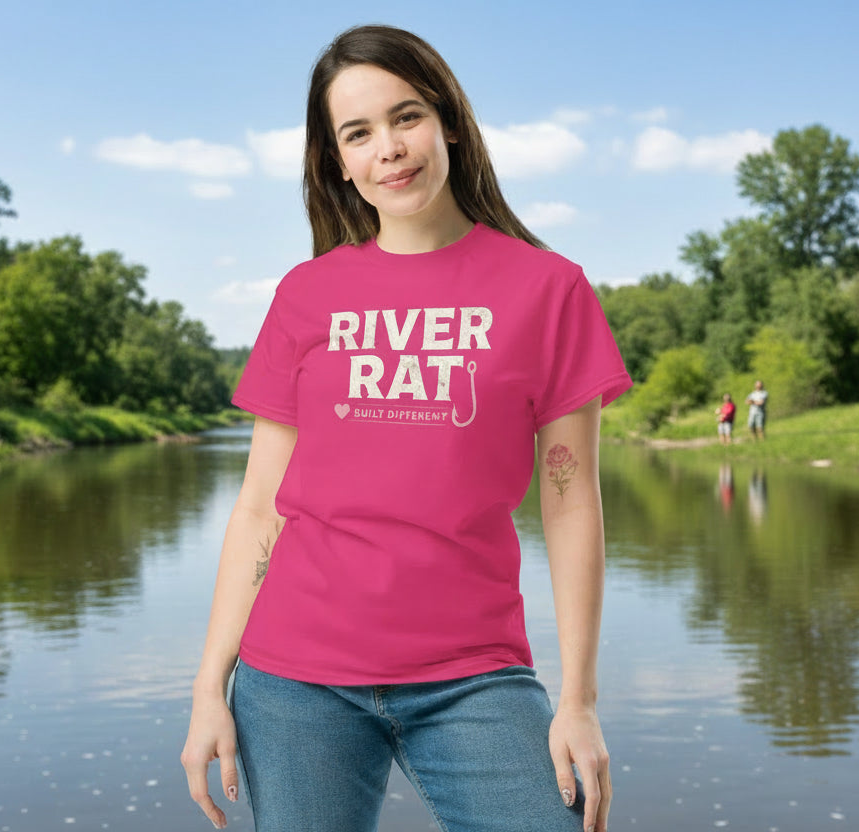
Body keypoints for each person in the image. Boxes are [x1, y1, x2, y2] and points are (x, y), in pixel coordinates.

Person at [180, 25, 630, 832]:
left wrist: (580, 700)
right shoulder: (307, 295)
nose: (389, 148)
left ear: (449, 120)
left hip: (474, 676)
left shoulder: (549, 289)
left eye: (407, 116)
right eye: (358, 133)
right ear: (338, 162)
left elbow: (571, 505)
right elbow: (259, 507)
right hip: (293, 683)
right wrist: (210, 687)